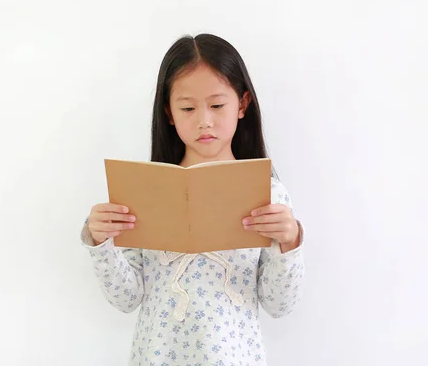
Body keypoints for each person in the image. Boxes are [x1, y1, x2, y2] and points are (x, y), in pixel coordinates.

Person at [80, 33, 305, 365]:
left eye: (217, 105)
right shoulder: (144, 189)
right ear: (169, 113)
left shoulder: (267, 193)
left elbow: (279, 304)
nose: (204, 120)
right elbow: (128, 299)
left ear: (242, 105)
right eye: (187, 107)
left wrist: (289, 241)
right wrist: (101, 242)